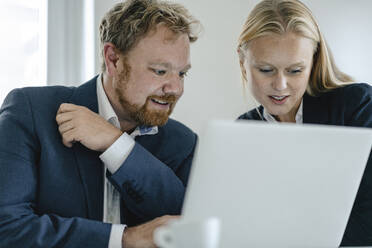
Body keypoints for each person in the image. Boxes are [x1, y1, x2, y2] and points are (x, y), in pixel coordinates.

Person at [0, 0, 200, 247]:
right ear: (113, 59)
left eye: (182, 73)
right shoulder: (30, 111)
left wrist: (116, 146)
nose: (176, 89)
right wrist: (124, 239)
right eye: (160, 71)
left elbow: (190, 226)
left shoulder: (184, 143)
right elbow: (7, 228)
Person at [236, 0, 372, 246]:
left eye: (295, 70)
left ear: (314, 62)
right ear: (243, 63)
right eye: (266, 70)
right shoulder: (239, 132)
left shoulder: (357, 106)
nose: (280, 85)